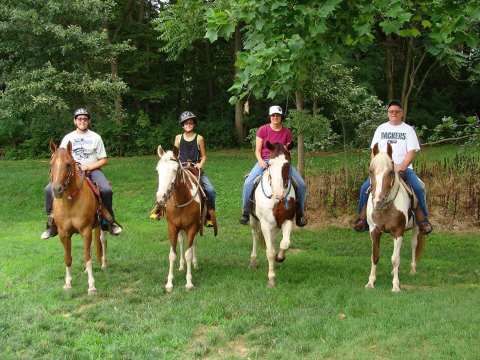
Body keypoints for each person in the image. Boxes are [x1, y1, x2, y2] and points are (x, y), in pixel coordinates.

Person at [41, 108, 123, 239]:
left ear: (89, 121)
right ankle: (52, 222)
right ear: (75, 121)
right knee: (48, 189)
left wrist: (89, 167)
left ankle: (108, 221)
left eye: (85, 119)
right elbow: (60, 157)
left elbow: (103, 159)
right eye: (79, 119)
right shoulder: (68, 137)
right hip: (71, 173)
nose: (82, 121)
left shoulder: (96, 137)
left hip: (93, 170)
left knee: (106, 190)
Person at [353, 100, 433, 234]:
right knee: (364, 188)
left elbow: (412, 151)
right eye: (391, 111)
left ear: (402, 113)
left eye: (397, 111)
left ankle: (423, 220)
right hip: (382, 170)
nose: (394, 113)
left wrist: (401, 167)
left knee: (418, 187)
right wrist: (375, 167)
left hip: (404, 168)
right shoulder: (381, 129)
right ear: (388, 113)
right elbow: (374, 151)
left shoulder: (408, 130)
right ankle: (362, 219)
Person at [239, 105, 307, 227]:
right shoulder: (262, 130)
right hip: (265, 160)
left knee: (301, 184)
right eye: (273, 115)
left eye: (278, 115)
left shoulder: (286, 132)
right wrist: (260, 161)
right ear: (270, 117)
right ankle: (245, 211)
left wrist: (286, 154)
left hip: (281, 162)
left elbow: (288, 151)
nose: (275, 117)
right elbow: (257, 150)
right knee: (248, 182)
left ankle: (300, 213)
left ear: (281, 117)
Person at [173, 111, 217, 226]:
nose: (188, 125)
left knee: (211, 191)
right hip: (182, 169)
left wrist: (200, 164)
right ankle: (159, 209)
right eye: (186, 123)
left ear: (194, 124)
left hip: (195, 169)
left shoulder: (199, 138)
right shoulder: (178, 138)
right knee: (167, 185)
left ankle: (209, 215)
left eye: (191, 123)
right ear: (182, 125)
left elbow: (203, 156)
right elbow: (175, 155)